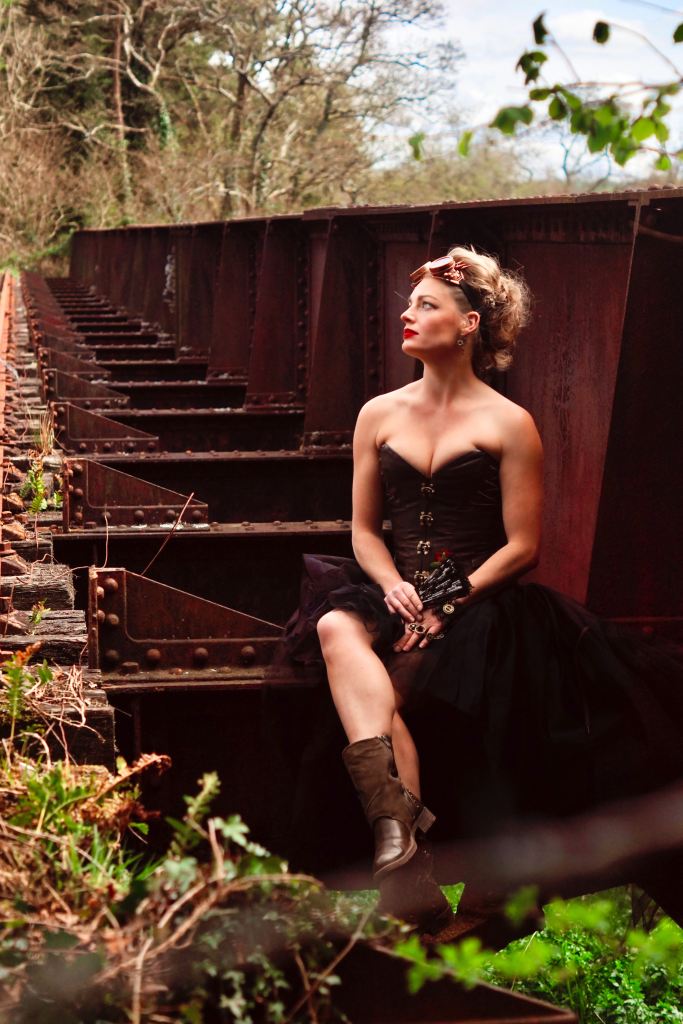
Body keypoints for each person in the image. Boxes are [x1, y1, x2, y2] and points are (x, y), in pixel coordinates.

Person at [283, 247, 683, 934]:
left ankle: (413, 864)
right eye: (407, 305)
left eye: (426, 306)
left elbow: (522, 546)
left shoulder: (509, 422)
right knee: (331, 627)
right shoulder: (376, 413)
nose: (407, 316)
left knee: (404, 695)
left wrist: (443, 597)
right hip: (390, 589)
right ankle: (397, 842)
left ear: (468, 323)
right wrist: (394, 589)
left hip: (477, 601)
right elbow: (363, 532)